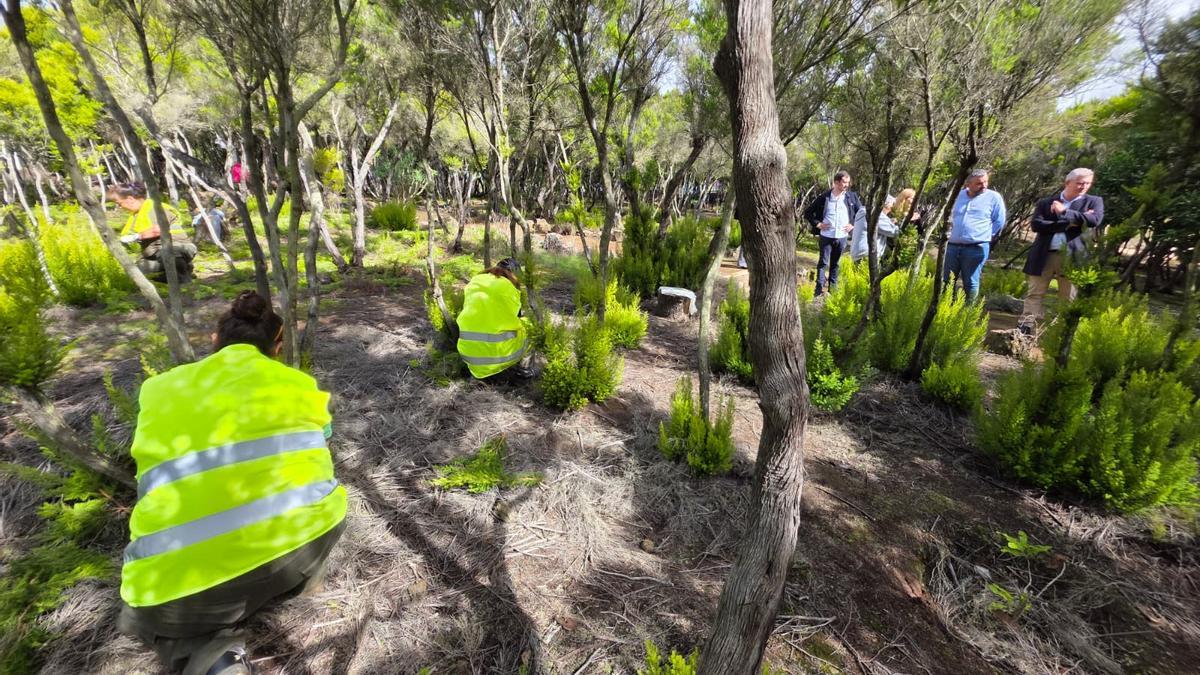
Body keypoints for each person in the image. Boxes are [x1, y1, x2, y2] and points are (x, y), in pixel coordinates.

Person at [118, 291, 346, 675]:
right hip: (302, 543)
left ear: (214, 339)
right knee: (322, 506)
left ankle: (213, 656)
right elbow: (323, 439)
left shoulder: (156, 389)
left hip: (180, 589)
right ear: (277, 348)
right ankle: (304, 583)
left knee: (154, 616)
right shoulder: (302, 384)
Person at [1019, 168, 1104, 330]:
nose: (1084, 186)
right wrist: (1070, 222)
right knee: (1034, 293)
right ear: (1067, 183)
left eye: (1088, 183)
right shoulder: (1046, 202)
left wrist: (1065, 211)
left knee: (1068, 297)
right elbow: (1036, 225)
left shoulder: (1094, 201)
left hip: (1073, 257)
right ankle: (1025, 328)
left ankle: (1061, 332)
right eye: (1080, 183)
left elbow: (1094, 220)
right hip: (1044, 255)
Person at [456, 257, 532, 380]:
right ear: (514, 274)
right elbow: (515, 317)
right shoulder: (509, 287)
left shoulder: (475, 281)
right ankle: (524, 371)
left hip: (468, 354)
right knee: (531, 327)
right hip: (494, 357)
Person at [108, 182, 198, 282]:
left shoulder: (155, 209)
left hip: (176, 247)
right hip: (155, 254)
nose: (120, 207)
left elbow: (158, 230)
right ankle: (182, 269)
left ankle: (182, 276)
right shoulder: (137, 214)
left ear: (130, 199)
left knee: (168, 253)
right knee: (139, 269)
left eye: (119, 203)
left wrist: (136, 237)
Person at [945, 169, 1006, 303]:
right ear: (968, 184)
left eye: (986, 182)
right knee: (947, 281)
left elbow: (999, 221)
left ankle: (969, 312)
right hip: (952, 247)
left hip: (976, 248)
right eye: (979, 183)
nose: (984, 185)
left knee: (970, 282)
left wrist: (985, 235)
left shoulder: (994, 197)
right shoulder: (957, 196)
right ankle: (945, 308)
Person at [804, 170, 863, 295]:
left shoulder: (851, 197)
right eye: (844, 182)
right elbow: (808, 212)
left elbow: (861, 213)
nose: (846, 185)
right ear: (836, 182)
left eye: (848, 182)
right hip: (826, 235)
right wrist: (818, 224)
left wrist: (852, 224)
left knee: (835, 264)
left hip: (842, 236)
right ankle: (818, 290)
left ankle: (833, 290)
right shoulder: (824, 197)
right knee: (823, 263)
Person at [850, 194, 900, 263]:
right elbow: (893, 232)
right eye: (892, 204)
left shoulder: (868, 211)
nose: (893, 207)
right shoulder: (875, 215)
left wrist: (890, 222)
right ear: (886, 204)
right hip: (866, 255)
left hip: (860, 254)